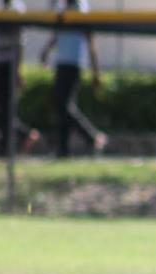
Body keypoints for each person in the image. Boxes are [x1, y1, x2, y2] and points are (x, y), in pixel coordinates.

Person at [40, 0, 107, 157]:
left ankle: (92, 137)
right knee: (63, 106)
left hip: (74, 64)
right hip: (61, 63)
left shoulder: (82, 12)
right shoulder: (62, 11)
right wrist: (46, 50)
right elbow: (56, 35)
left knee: (63, 105)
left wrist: (96, 72)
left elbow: (91, 44)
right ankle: (64, 150)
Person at [0, 0, 40, 156]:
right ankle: (24, 133)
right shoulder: (0, 9)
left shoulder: (17, 8)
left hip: (9, 64)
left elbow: (20, 43)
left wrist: (18, 71)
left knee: (5, 109)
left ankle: (5, 149)